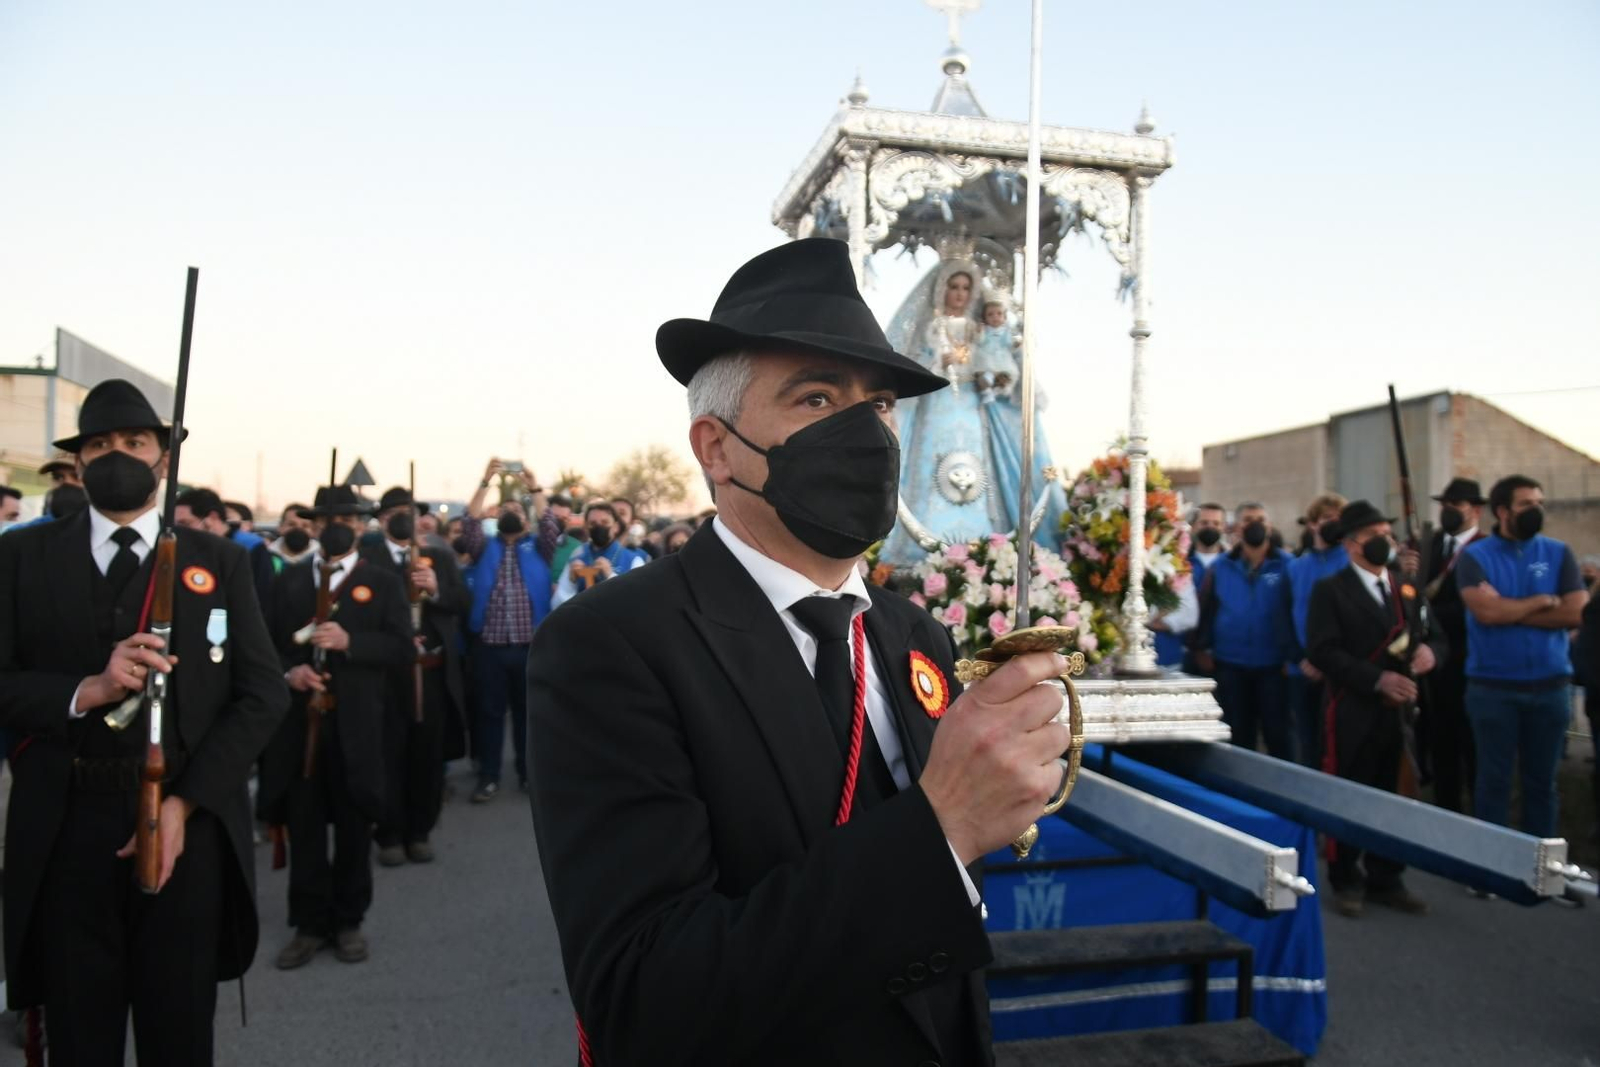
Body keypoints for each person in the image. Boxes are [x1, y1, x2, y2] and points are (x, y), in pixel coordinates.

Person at [530, 238, 1076, 1064]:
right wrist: (944, 827)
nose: (867, 430)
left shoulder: (913, 636)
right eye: (817, 399)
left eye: (882, 402)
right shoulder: (614, 646)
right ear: (716, 448)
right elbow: (643, 997)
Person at [0, 378, 287, 1064]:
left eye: (135, 442)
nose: (117, 454)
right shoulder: (20, 556)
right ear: (78, 464)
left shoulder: (219, 559)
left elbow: (262, 693)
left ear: (164, 459)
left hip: (182, 828)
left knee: (179, 1029)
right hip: (67, 823)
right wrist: (86, 688)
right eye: (99, 444)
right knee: (80, 1031)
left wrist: (189, 802)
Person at [260, 484, 410, 969]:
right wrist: (291, 672)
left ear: (361, 524)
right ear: (313, 528)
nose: (335, 528)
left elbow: (402, 648)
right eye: (324, 521)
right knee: (304, 828)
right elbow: (266, 648)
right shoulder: (290, 581)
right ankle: (308, 923)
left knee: (351, 826)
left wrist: (352, 641)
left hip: (358, 725)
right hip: (303, 728)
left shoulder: (383, 582)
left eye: (345, 518)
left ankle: (348, 921)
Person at [1306, 500, 1445, 918]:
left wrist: (1431, 656)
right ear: (1351, 545)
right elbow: (1323, 650)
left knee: (1395, 794)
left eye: (1388, 533)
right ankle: (1346, 877)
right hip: (1352, 710)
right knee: (1350, 792)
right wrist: (1375, 679)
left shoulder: (1406, 587)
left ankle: (1388, 877)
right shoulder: (1330, 590)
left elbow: (1437, 637)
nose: (1385, 542)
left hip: (1399, 714)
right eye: (1374, 536)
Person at [878, 257, 1065, 566]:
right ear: (942, 289)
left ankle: (983, 539)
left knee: (979, 459)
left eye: (966, 287)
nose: (960, 294)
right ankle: (920, 545)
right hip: (936, 402)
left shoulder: (982, 329)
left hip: (973, 402)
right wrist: (940, 362)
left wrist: (998, 374)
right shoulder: (932, 327)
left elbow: (997, 357)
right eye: (954, 286)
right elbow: (915, 364)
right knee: (931, 460)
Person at [1456, 475, 1588, 837]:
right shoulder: (1475, 557)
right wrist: (1543, 601)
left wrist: (1509, 609)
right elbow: (1486, 613)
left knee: (1542, 785)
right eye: (1527, 504)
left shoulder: (1559, 553)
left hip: (1551, 687)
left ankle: (1540, 871)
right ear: (1502, 511)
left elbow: (1575, 613)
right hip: (1493, 689)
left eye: (1540, 503)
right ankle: (1489, 869)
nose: (1537, 511)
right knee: (1493, 781)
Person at [360, 487, 471, 864]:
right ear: (381, 521)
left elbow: (462, 603)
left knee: (427, 754)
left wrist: (435, 588)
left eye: (406, 512)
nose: (400, 519)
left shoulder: (438, 557)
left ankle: (420, 830)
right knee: (388, 752)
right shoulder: (368, 558)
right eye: (392, 514)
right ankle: (388, 833)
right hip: (388, 675)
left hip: (431, 672)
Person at [460, 462, 552, 802]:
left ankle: (530, 776)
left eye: (518, 509)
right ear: (496, 518)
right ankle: (489, 776)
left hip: (531, 646)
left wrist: (534, 486)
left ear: (527, 521)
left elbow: (550, 522)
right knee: (489, 713)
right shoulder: (484, 547)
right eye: (506, 509)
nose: (512, 513)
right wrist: (486, 480)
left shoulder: (540, 548)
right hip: (490, 647)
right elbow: (469, 522)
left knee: (529, 714)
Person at [1194, 502, 1296, 756]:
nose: (1256, 525)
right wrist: (1200, 649)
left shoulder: (1288, 565)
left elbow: (1296, 612)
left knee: (1277, 734)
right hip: (1231, 664)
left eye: (1261, 519)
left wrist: (1292, 655)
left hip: (1273, 666)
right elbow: (1206, 610)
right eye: (1248, 520)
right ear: (1237, 528)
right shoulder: (1220, 567)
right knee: (1238, 734)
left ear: (1269, 526)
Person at [1419, 477, 1486, 813]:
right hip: (1436, 662)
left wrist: (1430, 613)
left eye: (1455, 505)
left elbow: (1475, 606)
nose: (1447, 511)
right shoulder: (1431, 546)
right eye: (1444, 505)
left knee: (1472, 747)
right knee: (1441, 744)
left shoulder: (1485, 547)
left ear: (1474, 510)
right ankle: (1446, 814)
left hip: (1471, 659)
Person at [1285, 493, 1348, 768]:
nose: (1334, 524)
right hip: (1303, 668)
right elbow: (1284, 617)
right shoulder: (1295, 567)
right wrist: (1300, 658)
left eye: (1338, 519)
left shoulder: (1351, 563)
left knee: (1340, 743)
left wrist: (1331, 661)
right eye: (1327, 519)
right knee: (1308, 742)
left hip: (1340, 670)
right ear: (1312, 524)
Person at [176, 487, 276, 611]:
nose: (180, 532)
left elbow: (263, 597)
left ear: (212, 517)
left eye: (185, 524)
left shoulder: (250, 546)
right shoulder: (185, 550)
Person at [551, 501, 650, 608]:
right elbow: (556, 606)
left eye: (605, 522)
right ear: (586, 528)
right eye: (593, 524)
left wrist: (611, 576)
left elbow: (639, 603)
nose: (599, 527)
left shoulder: (633, 560)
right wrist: (570, 582)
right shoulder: (577, 557)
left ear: (615, 527)